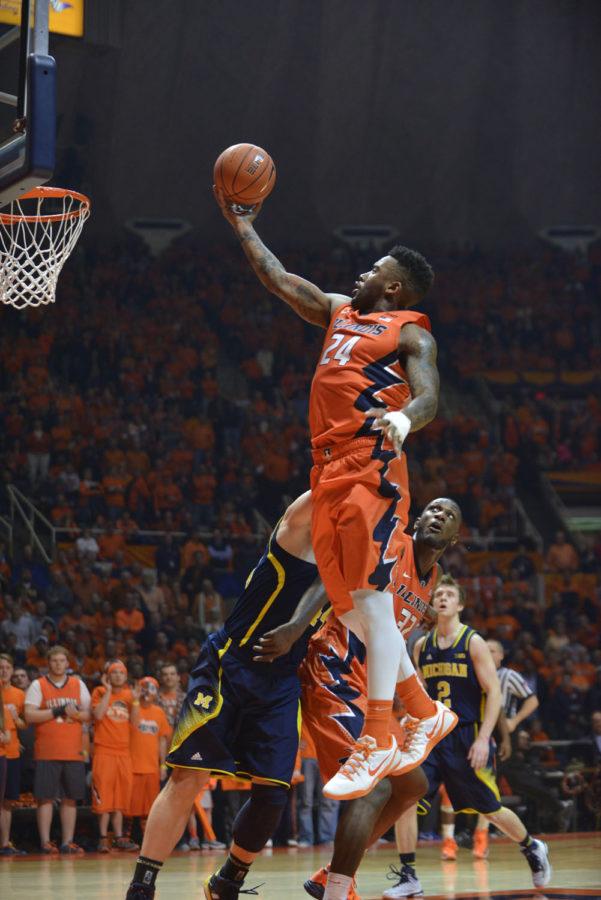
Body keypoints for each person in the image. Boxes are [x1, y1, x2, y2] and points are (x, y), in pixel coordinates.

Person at [215, 192, 452, 801]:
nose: (362, 274)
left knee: (370, 601)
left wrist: (404, 420)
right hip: (327, 469)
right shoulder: (340, 312)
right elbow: (279, 279)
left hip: (372, 461)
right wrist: (243, 226)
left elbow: (429, 396)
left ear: (394, 288)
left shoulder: (409, 333)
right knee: (348, 610)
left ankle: (379, 734)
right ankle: (423, 710)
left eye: (375, 269)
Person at [125, 491, 328, 899]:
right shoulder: (298, 528)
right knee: (188, 777)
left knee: (273, 794)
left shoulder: (348, 566)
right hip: (230, 664)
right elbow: (325, 490)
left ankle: (226, 882)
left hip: (280, 684)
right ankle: (141, 887)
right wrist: (359, 465)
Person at [301, 498, 461, 900]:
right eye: (433, 510)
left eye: (448, 515)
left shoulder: (432, 577)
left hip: (370, 685)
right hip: (334, 667)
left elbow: (393, 639)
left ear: (454, 538)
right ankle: (338, 890)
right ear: (417, 520)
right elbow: (333, 575)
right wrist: (295, 626)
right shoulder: (391, 546)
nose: (439, 516)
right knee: (374, 788)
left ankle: (332, 876)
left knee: (413, 785)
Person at [383, 577, 551, 898]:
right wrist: (411, 718)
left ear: (460, 604)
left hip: (467, 735)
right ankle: (408, 875)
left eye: (449, 594)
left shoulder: (473, 642)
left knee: (489, 809)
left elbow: (495, 693)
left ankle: (532, 846)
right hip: (433, 736)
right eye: (438, 594)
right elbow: (422, 693)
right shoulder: (421, 646)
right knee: (406, 799)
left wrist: (483, 738)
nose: (442, 598)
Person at [23, 645, 91, 854]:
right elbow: (29, 715)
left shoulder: (78, 684)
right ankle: (45, 842)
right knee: (45, 797)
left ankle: (67, 842)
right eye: (54, 661)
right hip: (47, 750)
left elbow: (89, 714)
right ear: (48, 663)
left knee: (70, 797)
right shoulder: (38, 684)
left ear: (68, 663)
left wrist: (75, 715)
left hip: (73, 750)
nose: (58, 664)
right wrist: (57, 711)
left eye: (62, 661)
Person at [91, 660, 140, 852]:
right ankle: (103, 838)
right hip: (104, 751)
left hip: (123, 752)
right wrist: (108, 691)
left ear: (126, 676)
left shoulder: (130, 695)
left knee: (120, 796)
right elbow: (98, 715)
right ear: (108, 676)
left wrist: (135, 701)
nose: (118, 675)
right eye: (114, 672)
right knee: (103, 796)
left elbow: (135, 724)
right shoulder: (99, 692)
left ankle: (119, 837)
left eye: (121, 672)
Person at [127, 677, 171, 833]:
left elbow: (162, 741)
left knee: (150, 807)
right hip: (131, 766)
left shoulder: (159, 712)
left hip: (152, 768)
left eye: (151, 688)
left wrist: (163, 765)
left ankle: (147, 839)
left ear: (156, 693)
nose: (147, 692)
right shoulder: (131, 708)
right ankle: (128, 837)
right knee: (130, 807)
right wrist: (135, 700)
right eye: (143, 688)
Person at [0, 653, 27, 854]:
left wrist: (17, 721)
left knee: (8, 801)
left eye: (7, 667)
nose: (4, 671)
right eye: (0, 668)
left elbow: (25, 724)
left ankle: (5, 843)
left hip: (12, 752)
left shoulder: (18, 694)